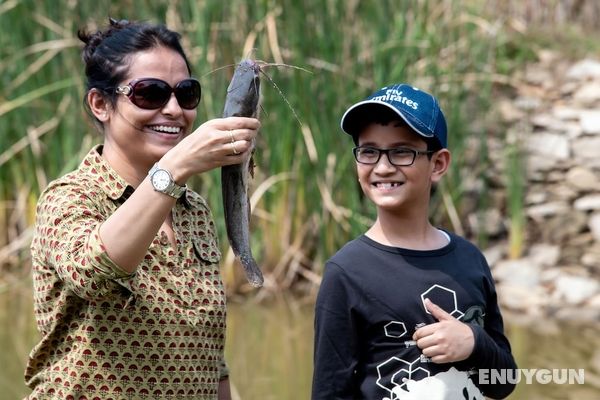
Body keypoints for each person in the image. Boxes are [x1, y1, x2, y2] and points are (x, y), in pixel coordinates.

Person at [25, 18, 259, 399]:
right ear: (101, 104)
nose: (172, 110)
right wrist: (174, 168)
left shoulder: (194, 210)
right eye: (149, 94)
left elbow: (209, 355)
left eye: (186, 94)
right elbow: (93, 271)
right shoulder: (69, 197)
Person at [312, 84, 517, 399]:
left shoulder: (470, 259)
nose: (382, 166)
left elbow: (503, 382)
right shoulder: (347, 272)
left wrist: (473, 343)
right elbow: (329, 392)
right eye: (369, 151)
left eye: (402, 151)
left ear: (438, 164)